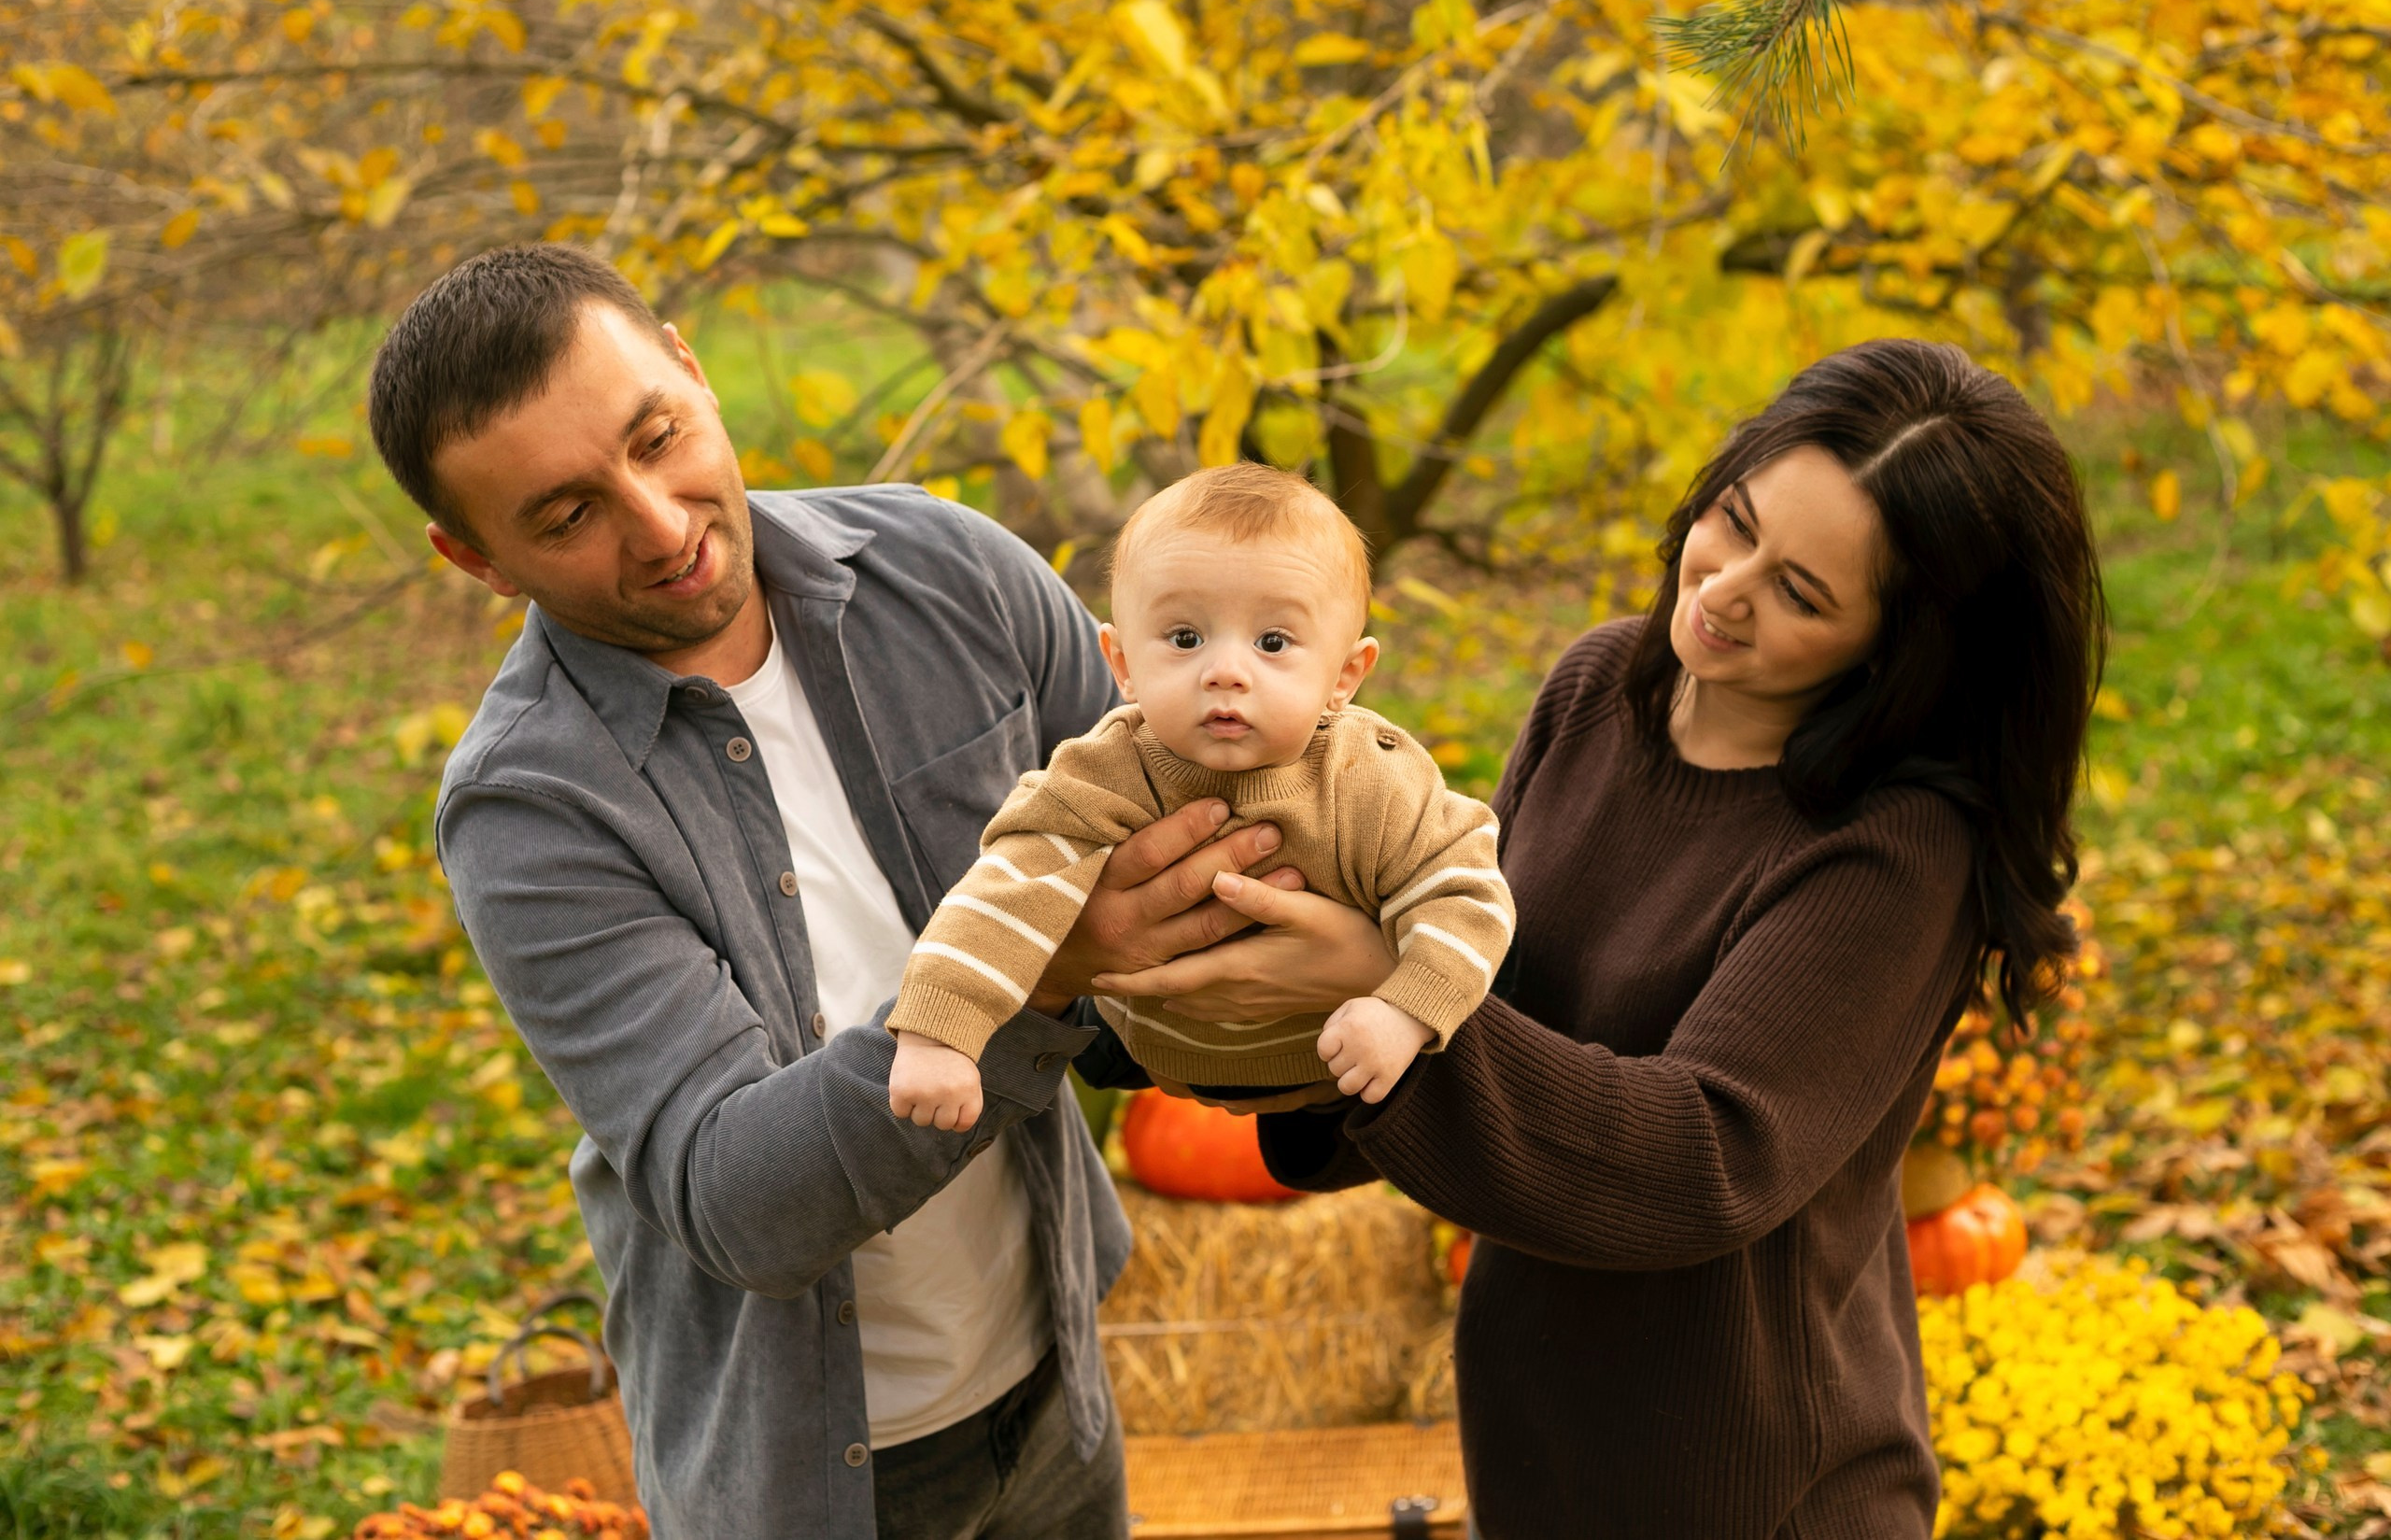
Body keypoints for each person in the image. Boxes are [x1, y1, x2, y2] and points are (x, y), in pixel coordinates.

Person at [362, 243, 1309, 1540]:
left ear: (691, 367)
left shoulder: (954, 575)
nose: (660, 525)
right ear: (477, 557)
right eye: (565, 514)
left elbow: (1189, 860)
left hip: (1057, 1383)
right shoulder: (531, 808)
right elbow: (740, 1197)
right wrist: (1043, 974)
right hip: (809, 1474)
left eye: (658, 435)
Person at [1092, 339, 2106, 1537]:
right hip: (1536, 1431)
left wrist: (1383, 991)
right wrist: (1212, 999)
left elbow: (1702, 1158)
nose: (1724, 587)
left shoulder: (1894, 847)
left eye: (1801, 593)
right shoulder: (1600, 691)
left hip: (1757, 1480)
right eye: (1733, 523)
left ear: (1897, 646)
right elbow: (1498, 992)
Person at [882, 462, 1514, 1129]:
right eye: (1186, 638)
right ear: (1122, 664)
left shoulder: (1372, 779)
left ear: (1345, 675)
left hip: (1340, 1074)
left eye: (1273, 642)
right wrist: (937, 1031)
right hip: (1160, 1065)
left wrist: (1404, 1009)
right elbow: (1005, 888)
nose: (1225, 672)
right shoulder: (1106, 772)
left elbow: (1468, 893)